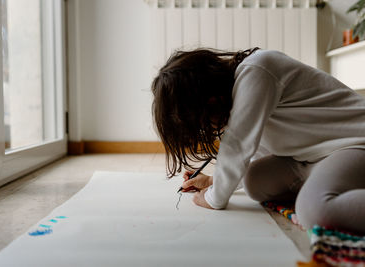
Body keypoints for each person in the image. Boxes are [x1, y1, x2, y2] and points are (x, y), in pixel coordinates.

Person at [151, 48, 365, 235]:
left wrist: (213, 198)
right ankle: (327, 185)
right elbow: (254, 150)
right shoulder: (242, 95)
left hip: (353, 143)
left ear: (211, 101)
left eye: (203, 123)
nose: (208, 129)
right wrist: (213, 181)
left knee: (314, 210)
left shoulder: (257, 71)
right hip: (312, 157)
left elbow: (238, 144)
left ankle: (322, 193)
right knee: (255, 181)